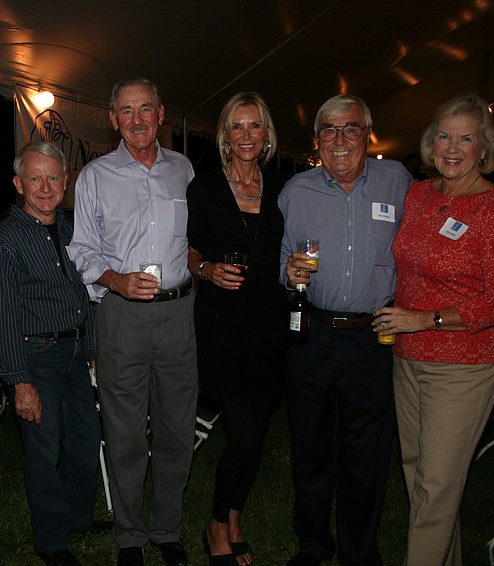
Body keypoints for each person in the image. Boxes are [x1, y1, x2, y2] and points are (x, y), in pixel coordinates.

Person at [372, 93, 494, 566]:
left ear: (484, 149)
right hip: (408, 359)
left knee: (436, 490)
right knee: (423, 480)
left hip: (464, 365)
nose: (452, 147)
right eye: (444, 136)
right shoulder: (419, 194)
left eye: (466, 138)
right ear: (430, 143)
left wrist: (424, 319)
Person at [278, 94, 411, 566]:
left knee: (366, 454)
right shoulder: (296, 191)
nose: (339, 140)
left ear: (367, 135)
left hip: (373, 338)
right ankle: (313, 544)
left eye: (350, 129)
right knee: (311, 447)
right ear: (317, 141)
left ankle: (359, 550)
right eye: (329, 131)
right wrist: (288, 272)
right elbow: (281, 261)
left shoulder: (399, 182)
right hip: (312, 336)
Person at [69, 77, 196, 566]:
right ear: (113, 119)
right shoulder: (95, 176)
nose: (138, 119)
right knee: (123, 433)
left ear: (161, 113)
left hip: (179, 314)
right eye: (127, 111)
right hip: (120, 315)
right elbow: (81, 249)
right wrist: (116, 281)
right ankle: (129, 537)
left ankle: (167, 530)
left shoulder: (183, 171)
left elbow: (195, 242)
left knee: (177, 429)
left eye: (146, 109)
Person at [0, 142, 102, 566]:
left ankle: (78, 519)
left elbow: (85, 293)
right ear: (18, 184)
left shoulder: (75, 230)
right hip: (36, 358)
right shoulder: (4, 240)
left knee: (85, 442)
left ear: (66, 182)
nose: (45, 186)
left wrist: (90, 350)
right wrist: (18, 380)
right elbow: (1, 315)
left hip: (75, 352)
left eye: (53, 177)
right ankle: (51, 541)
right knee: (44, 450)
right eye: (35, 178)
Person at [187, 92, 288, 566]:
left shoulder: (282, 187)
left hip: (269, 326)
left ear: (266, 135)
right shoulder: (204, 187)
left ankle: (234, 516)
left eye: (255, 127)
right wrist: (206, 269)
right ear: (225, 136)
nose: (246, 136)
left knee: (256, 436)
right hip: (222, 326)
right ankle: (214, 524)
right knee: (244, 436)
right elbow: (186, 249)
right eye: (237, 127)